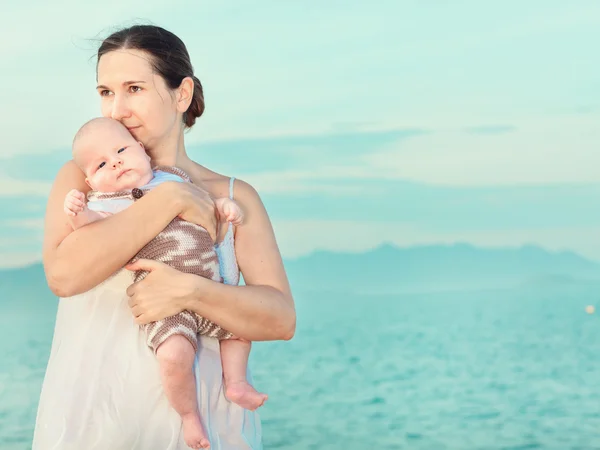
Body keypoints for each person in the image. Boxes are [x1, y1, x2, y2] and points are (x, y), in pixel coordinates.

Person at [33, 24, 295, 450]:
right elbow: (64, 275)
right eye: (105, 93)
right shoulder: (82, 179)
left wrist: (190, 291)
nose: (116, 110)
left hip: (208, 428)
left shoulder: (233, 195)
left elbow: (280, 318)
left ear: (181, 94)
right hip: (99, 423)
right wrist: (170, 198)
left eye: (134, 88)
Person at [63, 117, 268, 449]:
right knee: (173, 357)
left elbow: (206, 207)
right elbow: (92, 231)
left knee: (240, 330)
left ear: (142, 152)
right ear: (92, 181)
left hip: (212, 292)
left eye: (121, 150)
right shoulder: (110, 204)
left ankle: (236, 382)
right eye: (102, 163)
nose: (115, 162)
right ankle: (189, 416)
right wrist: (77, 213)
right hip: (165, 305)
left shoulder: (175, 180)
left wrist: (224, 206)